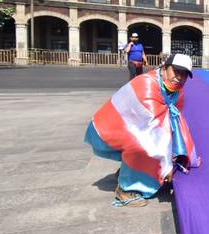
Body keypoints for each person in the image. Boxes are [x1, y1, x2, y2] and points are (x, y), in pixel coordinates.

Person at [85, 53, 202, 207]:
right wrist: (166, 164)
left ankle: (130, 172)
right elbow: (152, 128)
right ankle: (126, 189)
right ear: (165, 68)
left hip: (140, 126)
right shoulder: (148, 84)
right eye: (176, 71)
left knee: (167, 144)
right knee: (143, 146)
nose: (180, 77)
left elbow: (175, 120)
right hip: (116, 126)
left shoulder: (177, 90)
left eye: (184, 75)